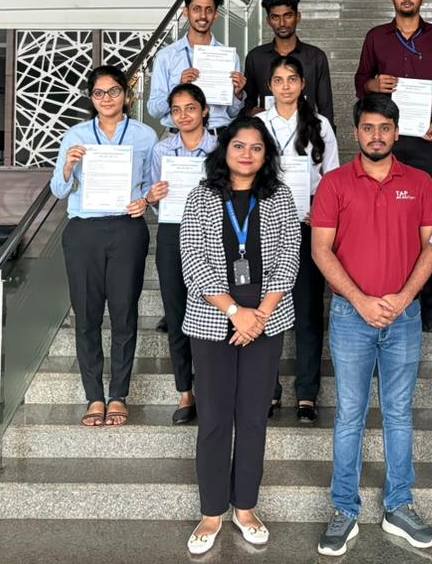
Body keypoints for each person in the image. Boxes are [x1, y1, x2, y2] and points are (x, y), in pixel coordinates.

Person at [312, 95, 432, 557]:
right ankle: (344, 509)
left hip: (403, 317)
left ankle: (399, 506)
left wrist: (403, 299)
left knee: (399, 412)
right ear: (356, 133)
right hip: (352, 316)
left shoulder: (421, 183)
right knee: (350, 413)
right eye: (368, 128)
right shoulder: (334, 183)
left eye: (385, 128)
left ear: (396, 132)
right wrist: (361, 301)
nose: (376, 136)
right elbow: (321, 250)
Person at [178, 116, 300, 554]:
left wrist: (259, 315)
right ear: (224, 150)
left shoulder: (280, 196)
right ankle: (212, 511)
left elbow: (290, 256)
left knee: (252, 418)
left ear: (266, 156)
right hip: (214, 316)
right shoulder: (201, 195)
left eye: (256, 148)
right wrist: (234, 312)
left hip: (266, 316)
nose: (247, 154)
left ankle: (245, 507)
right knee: (214, 418)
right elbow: (192, 258)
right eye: (239, 146)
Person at [49, 64, 158, 428]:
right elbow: (58, 189)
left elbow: (150, 184)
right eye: (99, 93)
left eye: (114, 91)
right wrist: (68, 166)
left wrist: (145, 201)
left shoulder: (144, 135)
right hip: (84, 232)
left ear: (126, 94)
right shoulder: (76, 135)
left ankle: (118, 395)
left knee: (125, 314)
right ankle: (94, 396)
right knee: (87, 316)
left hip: (127, 229)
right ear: (91, 98)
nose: (107, 98)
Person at [354, 0, 432, 332]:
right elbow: (360, 81)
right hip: (386, 140)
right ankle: (382, 292)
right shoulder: (376, 37)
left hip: (427, 139)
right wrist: (374, 84)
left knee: (429, 222)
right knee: (383, 218)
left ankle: (430, 307)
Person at [256, 54, 341, 422]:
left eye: (292, 79)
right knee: (266, 308)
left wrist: (319, 209)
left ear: (303, 84)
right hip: (265, 224)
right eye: (278, 80)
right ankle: (268, 389)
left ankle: (307, 392)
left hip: (307, 222)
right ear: (269, 86)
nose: (285, 86)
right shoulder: (258, 124)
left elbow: (332, 176)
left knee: (308, 310)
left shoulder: (320, 125)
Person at [144, 82, 217, 425]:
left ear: (205, 110)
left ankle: (212, 387)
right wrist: (153, 197)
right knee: (176, 312)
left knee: (212, 309)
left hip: (213, 234)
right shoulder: (162, 150)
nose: (183, 115)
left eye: (190, 108)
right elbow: (151, 198)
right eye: (176, 110)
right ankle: (185, 390)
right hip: (173, 231)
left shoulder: (221, 148)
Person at [147, 0, 246, 130]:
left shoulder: (229, 57)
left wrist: (238, 94)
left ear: (216, 15)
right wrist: (179, 88)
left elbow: (232, 112)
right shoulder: (166, 56)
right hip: (178, 136)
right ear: (186, 12)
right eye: (196, 9)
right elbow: (154, 110)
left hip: (218, 136)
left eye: (209, 10)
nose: (203, 16)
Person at [243, 0, 336, 125]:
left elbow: (326, 107)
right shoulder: (255, 57)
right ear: (268, 20)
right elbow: (247, 102)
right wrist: (252, 112)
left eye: (288, 16)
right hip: (268, 132)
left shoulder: (316, 57)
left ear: (298, 17)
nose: (282, 23)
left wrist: (327, 135)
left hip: (307, 131)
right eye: (275, 17)